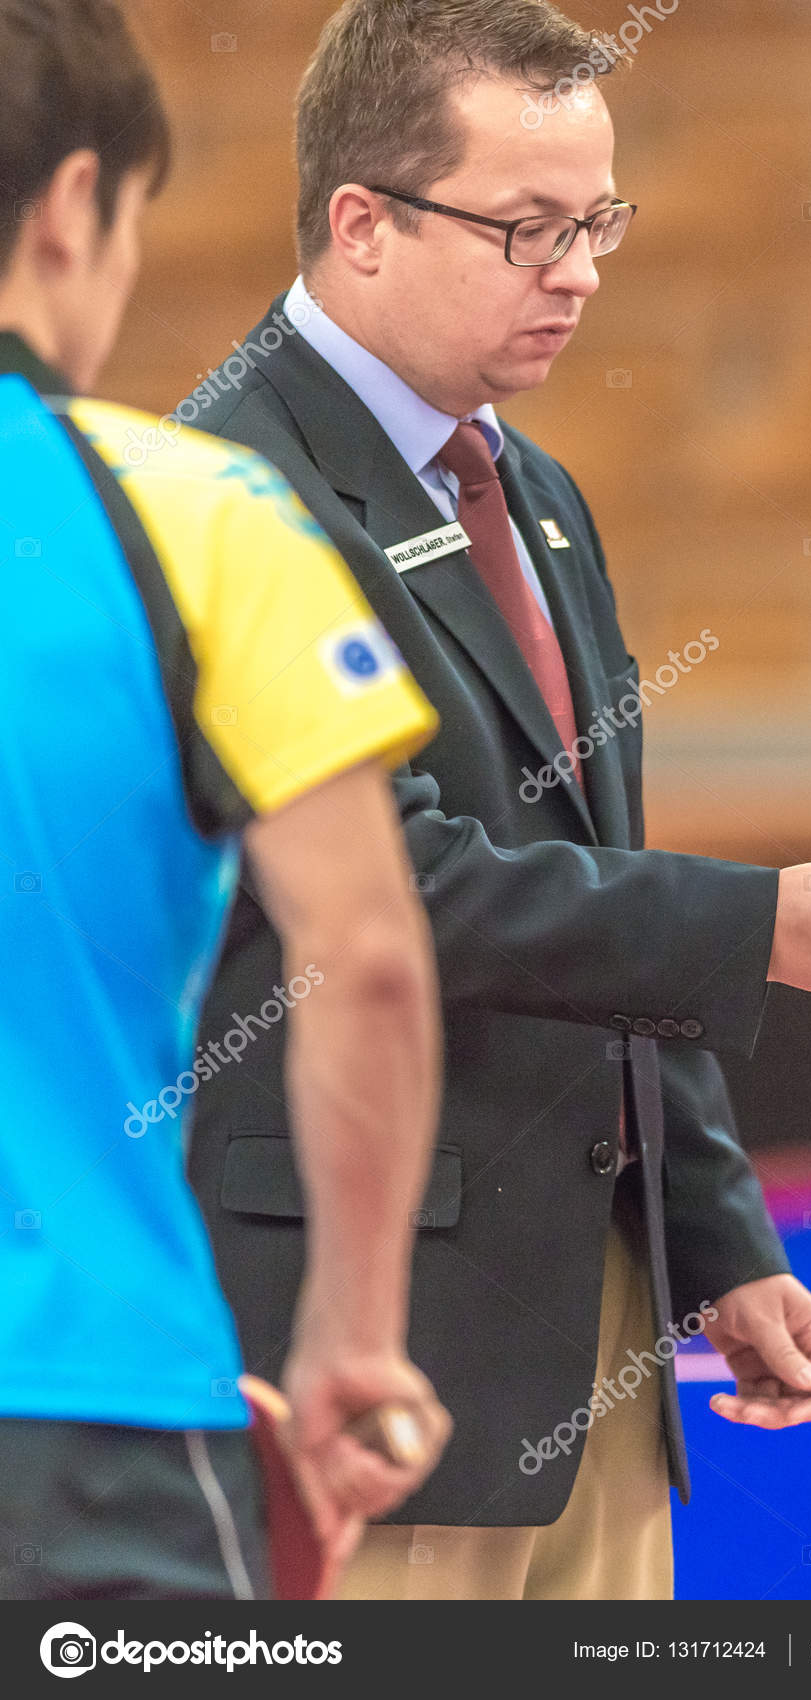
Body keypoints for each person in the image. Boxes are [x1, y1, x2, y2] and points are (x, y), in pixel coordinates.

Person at [180, 0, 811, 1601]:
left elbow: (592, 874)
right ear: (359, 221)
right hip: (361, 1359)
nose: (579, 270)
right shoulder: (229, 493)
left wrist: (714, 1235)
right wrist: (758, 922)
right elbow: (390, 886)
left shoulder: (537, 491)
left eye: (598, 222)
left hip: (593, 1351)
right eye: (528, 227)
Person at [0, 0, 449, 1602]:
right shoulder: (195, 512)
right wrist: (352, 1337)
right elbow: (372, 958)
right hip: (85, 1428)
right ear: (71, 207)